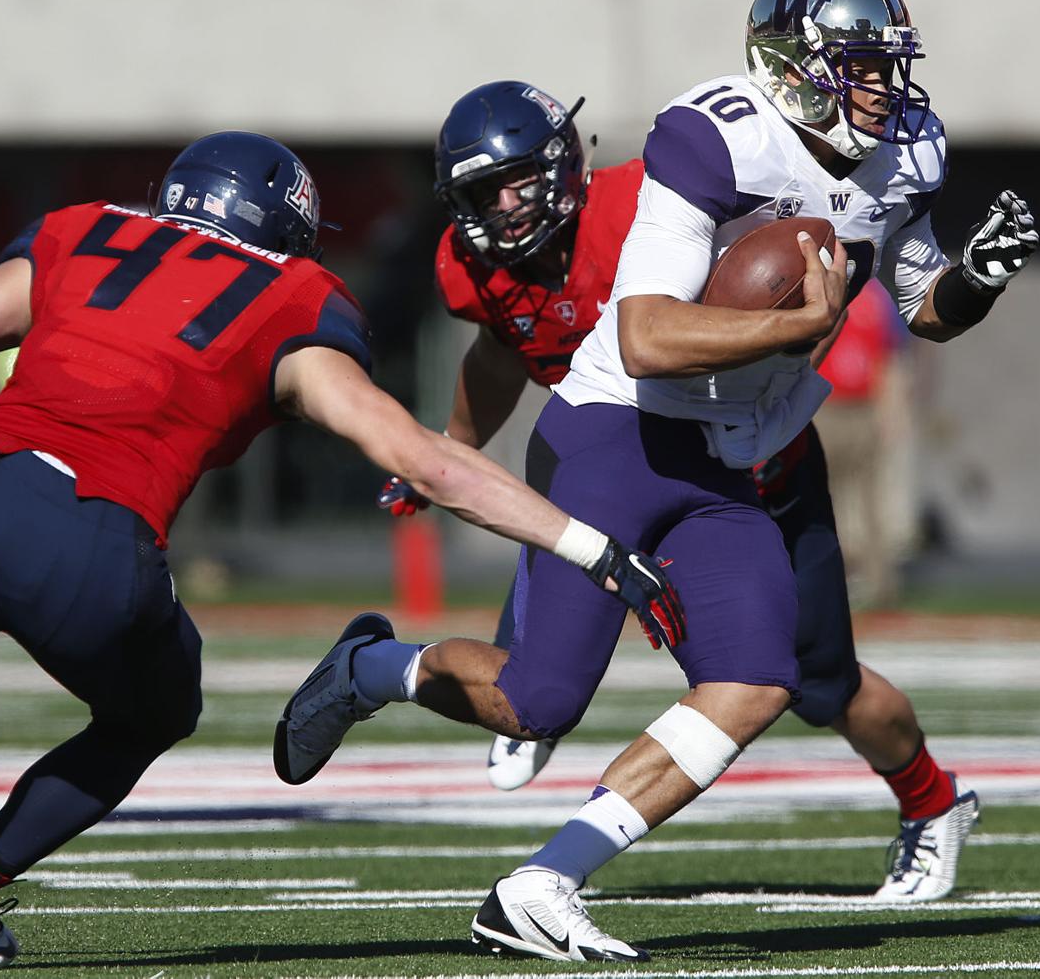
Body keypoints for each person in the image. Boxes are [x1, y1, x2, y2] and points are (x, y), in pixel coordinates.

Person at [277, 0, 1038, 961]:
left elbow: (917, 302)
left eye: (888, 68)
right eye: (860, 68)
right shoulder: (715, 135)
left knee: (762, 674)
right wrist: (792, 325)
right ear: (794, 66)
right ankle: (374, 663)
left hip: (737, 451)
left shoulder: (907, 150)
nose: (883, 90)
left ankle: (541, 881)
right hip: (620, 434)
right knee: (535, 699)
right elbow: (643, 337)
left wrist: (973, 284)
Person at [0, 132, 683, 971]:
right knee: (156, 708)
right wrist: (590, 547)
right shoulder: (293, 294)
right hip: (92, 541)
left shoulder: (83, 232)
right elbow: (424, 462)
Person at [381, 77, 986, 901]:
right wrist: (448, 450)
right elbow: (498, 354)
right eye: (481, 191)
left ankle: (933, 800)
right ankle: (530, 694)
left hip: (758, 457)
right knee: (549, 661)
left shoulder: (651, 197)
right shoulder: (476, 262)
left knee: (817, 684)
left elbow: (783, 263)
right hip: (628, 443)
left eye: (514, 180)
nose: (503, 206)